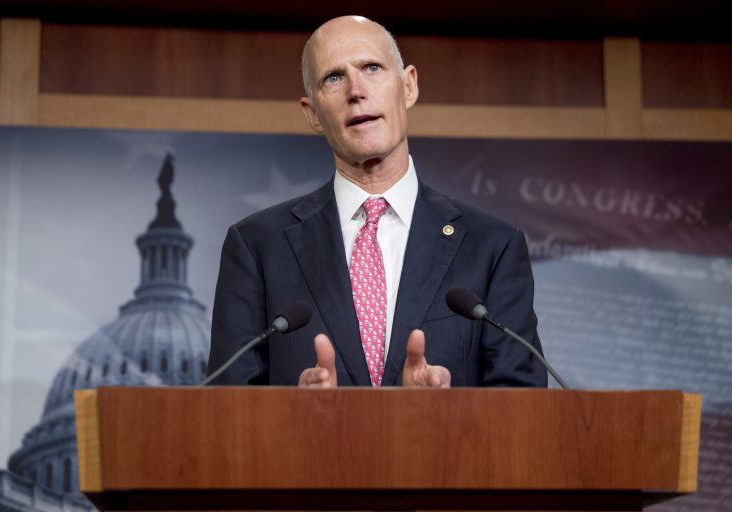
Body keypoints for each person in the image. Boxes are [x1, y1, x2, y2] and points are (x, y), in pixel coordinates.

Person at [207, 15, 547, 388]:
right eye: (333, 78)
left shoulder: (492, 247)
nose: (356, 90)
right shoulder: (257, 246)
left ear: (408, 86)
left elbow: (523, 404)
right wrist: (293, 416)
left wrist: (448, 416)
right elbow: (228, 412)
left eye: (371, 67)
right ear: (312, 113)